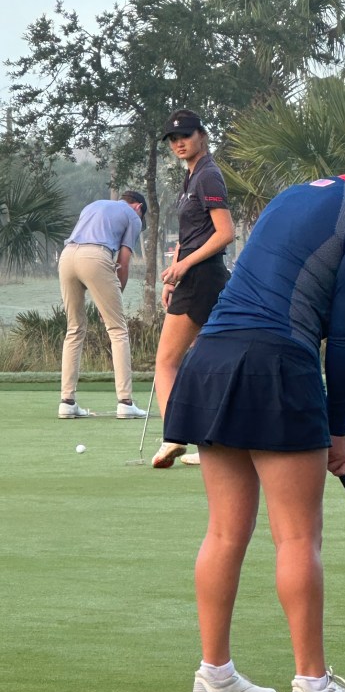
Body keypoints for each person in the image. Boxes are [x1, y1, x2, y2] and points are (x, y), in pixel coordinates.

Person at [163, 106, 345, 692]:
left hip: (213, 360)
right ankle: (313, 687)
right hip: (277, 366)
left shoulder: (293, 196)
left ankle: (215, 679)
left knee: (224, 532)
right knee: (297, 536)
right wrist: (338, 428)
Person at [151, 110, 235, 468]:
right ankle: (212, 442)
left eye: (185, 136)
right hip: (197, 277)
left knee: (166, 363)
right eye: (173, 139)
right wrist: (175, 272)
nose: (178, 143)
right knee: (205, 362)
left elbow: (225, 233)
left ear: (202, 134)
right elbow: (190, 236)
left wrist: (184, 267)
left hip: (202, 277)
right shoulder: (193, 176)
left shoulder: (208, 176)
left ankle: (174, 436)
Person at [58, 191, 148, 419]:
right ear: (138, 207)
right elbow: (123, 262)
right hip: (95, 257)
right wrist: (116, 296)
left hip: (67, 257)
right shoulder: (134, 216)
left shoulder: (93, 204)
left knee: (74, 329)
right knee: (118, 329)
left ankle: (67, 402)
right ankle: (125, 402)